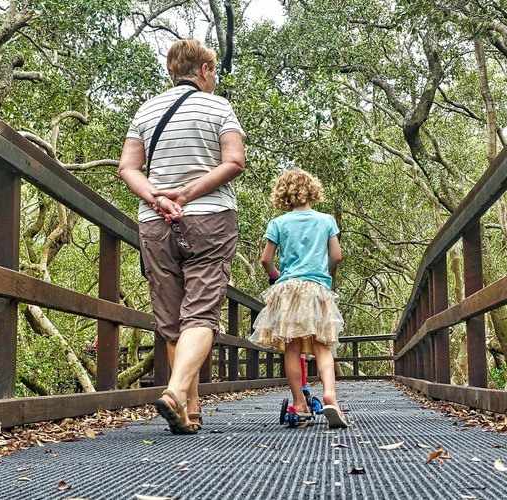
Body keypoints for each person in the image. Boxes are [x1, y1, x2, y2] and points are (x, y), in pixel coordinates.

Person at [118, 39, 245, 434]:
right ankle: (176, 392)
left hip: (155, 223)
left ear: (173, 71)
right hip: (208, 218)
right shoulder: (218, 106)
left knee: (172, 319)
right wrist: (186, 195)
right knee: (201, 313)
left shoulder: (145, 110)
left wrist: (157, 197)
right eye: (213, 73)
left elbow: (128, 168)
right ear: (205, 70)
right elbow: (235, 161)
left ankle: (191, 412)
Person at [250, 169, 348, 428]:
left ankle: (300, 405)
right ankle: (330, 397)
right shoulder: (326, 220)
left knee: (292, 348)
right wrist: (324, 274)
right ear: (313, 191)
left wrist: (275, 274)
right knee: (323, 346)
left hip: (288, 290)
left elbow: (265, 259)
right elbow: (337, 256)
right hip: (317, 288)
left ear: (284, 195)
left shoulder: (278, 224)